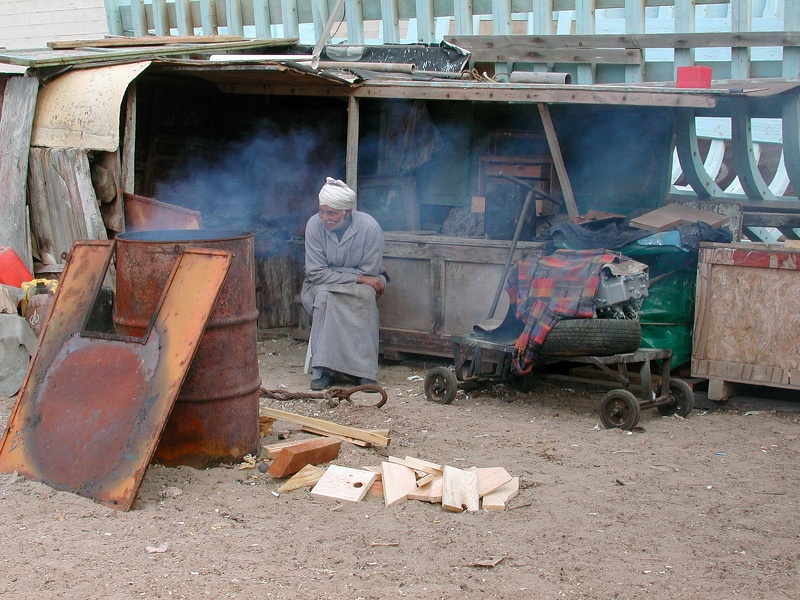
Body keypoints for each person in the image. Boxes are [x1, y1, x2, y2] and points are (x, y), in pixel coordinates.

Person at [301, 177, 387, 391]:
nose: (325, 218)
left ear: (347, 212)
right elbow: (315, 273)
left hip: (362, 285)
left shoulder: (370, 228)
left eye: (332, 213)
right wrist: (357, 277)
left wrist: (351, 276)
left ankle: (363, 372)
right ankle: (324, 371)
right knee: (323, 298)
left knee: (366, 296)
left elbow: (370, 272)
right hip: (321, 284)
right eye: (322, 211)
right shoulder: (313, 225)